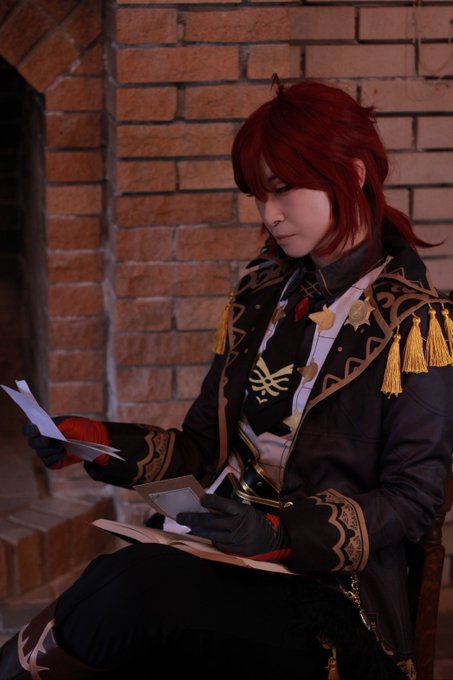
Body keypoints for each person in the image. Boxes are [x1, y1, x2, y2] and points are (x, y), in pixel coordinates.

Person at [1, 77, 453, 680]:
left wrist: (281, 532)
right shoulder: (263, 291)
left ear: (353, 173)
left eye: (283, 188)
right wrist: (97, 442)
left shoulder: (416, 321)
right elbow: (199, 447)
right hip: (225, 551)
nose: (269, 214)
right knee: (116, 586)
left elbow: (414, 500)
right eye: (260, 194)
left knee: (131, 591)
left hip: (330, 596)